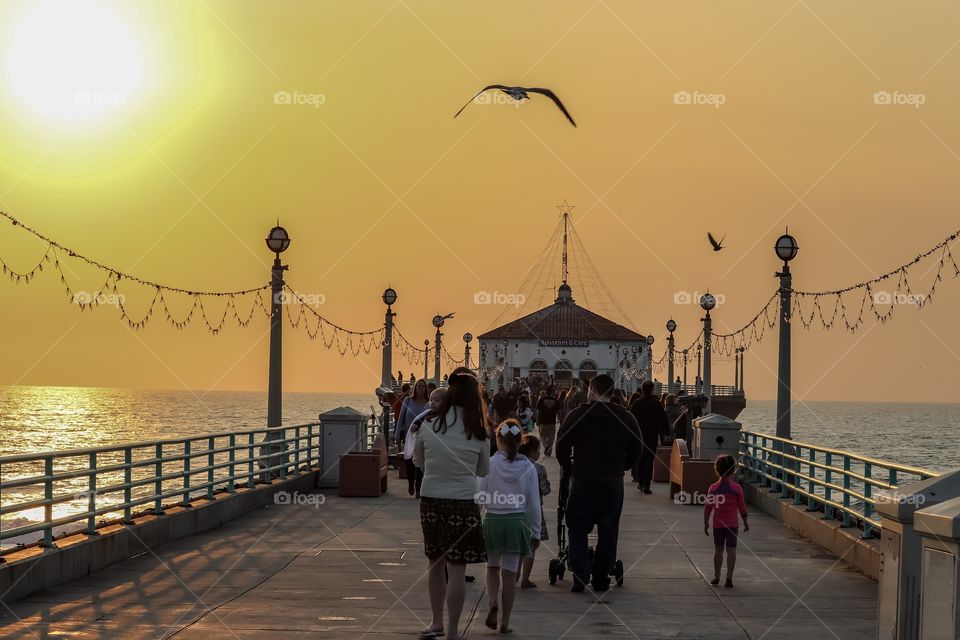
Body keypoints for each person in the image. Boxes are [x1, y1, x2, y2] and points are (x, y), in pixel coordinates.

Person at [414, 368, 490, 640]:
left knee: (436, 564)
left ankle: (436, 622)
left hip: (432, 499)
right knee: (457, 568)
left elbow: (418, 461)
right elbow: (483, 471)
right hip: (463, 502)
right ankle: (454, 631)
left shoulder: (429, 425)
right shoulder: (479, 432)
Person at [556, 374, 641, 592]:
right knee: (608, 529)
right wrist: (623, 467)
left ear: (591, 390)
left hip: (584, 478)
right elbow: (638, 449)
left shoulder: (578, 415)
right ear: (613, 393)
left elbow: (561, 445)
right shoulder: (626, 417)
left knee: (577, 527)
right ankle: (601, 577)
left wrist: (570, 467)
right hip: (612, 481)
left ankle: (581, 576)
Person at [479, 420, 541, 634]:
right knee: (509, 573)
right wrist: (536, 530)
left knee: (492, 567)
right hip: (516, 523)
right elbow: (533, 503)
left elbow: (480, 495)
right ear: (521, 441)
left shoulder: (490, 464)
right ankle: (505, 621)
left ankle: (492, 601)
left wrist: (476, 520)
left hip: (493, 521)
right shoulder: (528, 467)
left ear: (498, 440)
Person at [704, 454, 749, 588]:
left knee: (718, 550)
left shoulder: (713, 488)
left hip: (718, 524)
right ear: (733, 470)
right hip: (732, 525)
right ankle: (729, 577)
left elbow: (708, 508)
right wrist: (745, 522)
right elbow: (742, 507)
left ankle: (717, 576)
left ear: (717, 469)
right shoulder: (737, 489)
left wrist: (706, 523)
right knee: (731, 550)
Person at [517, 434, 550, 589]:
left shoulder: (514, 464)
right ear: (532, 450)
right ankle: (525, 579)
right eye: (538, 449)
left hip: (515, 509)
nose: (539, 453)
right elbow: (545, 489)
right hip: (534, 510)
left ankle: (514, 575)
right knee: (531, 546)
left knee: (516, 546)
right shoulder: (538, 468)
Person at [630, 380, 671, 494]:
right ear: (653, 390)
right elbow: (663, 419)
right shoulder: (656, 403)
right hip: (652, 435)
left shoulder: (637, 403)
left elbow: (631, 418)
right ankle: (646, 485)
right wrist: (666, 432)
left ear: (642, 390)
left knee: (641, 459)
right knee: (649, 460)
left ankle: (641, 482)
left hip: (639, 435)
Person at [404, 387, 445, 498]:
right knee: (420, 468)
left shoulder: (446, 416)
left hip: (437, 448)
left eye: (437, 401)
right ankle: (418, 489)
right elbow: (419, 420)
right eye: (431, 400)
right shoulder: (428, 414)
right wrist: (415, 426)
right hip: (425, 446)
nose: (432, 403)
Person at [534, 386, 561, 457]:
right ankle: (548, 452)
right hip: (552, 422)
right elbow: (559, 411)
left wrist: (537, 420)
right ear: (552, 392)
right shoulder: (555, 400)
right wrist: (560, 418)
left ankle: (545, 445)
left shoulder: (541, 400)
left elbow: (538, 412)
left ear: (546, 392)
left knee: (542, 436)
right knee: (551, 438)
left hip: (543, 422)